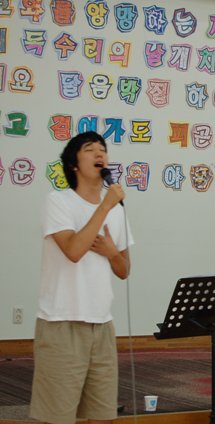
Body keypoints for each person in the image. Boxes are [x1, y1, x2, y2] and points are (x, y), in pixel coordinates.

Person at [30, 131, 132, 424]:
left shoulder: (116, 211)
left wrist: (111, 252)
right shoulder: (58, 201)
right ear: (73, 164)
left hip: (102, 324)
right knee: (57, 417)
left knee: (102, 415)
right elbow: (74, 251)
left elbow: (124, 270)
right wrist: (105, 206)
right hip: (61, 322)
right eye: (90, 149)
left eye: (103, 149)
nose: (100, 154)